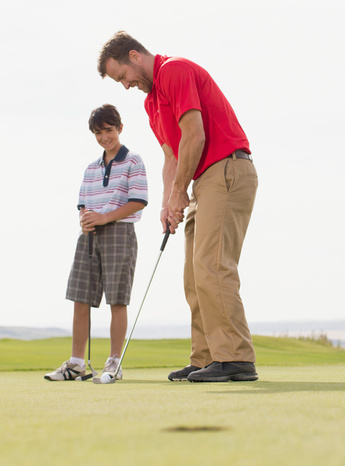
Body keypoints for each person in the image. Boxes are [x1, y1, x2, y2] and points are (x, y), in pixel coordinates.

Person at [97, 31, 259, 382]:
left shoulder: (174, 71)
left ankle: (236, 358)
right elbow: (171, 155)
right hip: (203, 180)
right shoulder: (150, 103)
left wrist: (180, 191)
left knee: (212, 265)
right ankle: (207, 358)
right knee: (193, 273)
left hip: (227, 169)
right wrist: (169, 202)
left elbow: (195, 135)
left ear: (135, 56)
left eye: (122, 76)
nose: (125, 86)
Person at [44, 104, 148, 382]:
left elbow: (138, 202)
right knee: (80, 298)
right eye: (99, 132)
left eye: (109, 131)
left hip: (120, 233)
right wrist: (86, 219)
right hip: (89, 236)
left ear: (120, 128)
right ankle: (77, 363)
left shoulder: (133, 161)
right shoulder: (91, 167)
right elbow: (83, 204)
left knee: (117, 299)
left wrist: (103, 218)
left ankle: (114, 362)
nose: (105, 137)